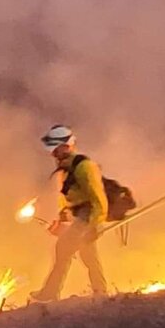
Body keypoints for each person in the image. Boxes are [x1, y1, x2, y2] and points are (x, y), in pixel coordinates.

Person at [29, 124, 112, 304]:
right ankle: (100, 291)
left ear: (66, 146)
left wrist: (94, 225)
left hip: (88, 216)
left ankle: (50, 292)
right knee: (88, 254)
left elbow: (98, 200)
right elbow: (71, 199)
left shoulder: (84, 167)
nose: (53, 153)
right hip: (79, 217)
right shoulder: (66, 169)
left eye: (56, 148)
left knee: (63, 248)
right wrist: (62, 220)